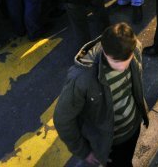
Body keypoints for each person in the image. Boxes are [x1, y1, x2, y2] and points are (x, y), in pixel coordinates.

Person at [54, 23, 149, 166]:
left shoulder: (133, 47)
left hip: (133, 128)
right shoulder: (82, 78)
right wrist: (83, 151)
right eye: (116, 61)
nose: (122, 67)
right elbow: (63, 119)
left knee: (126, 161)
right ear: (104, 51)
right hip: (111, 143)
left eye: (127, 60)